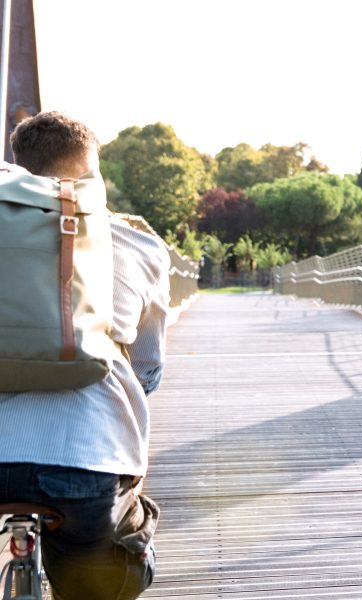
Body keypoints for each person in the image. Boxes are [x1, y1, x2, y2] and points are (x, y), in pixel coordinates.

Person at [0, 111, 169, 598]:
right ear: (92, 174)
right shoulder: (138, 243)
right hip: (84, 460)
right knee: (100, 569)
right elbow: (149, 366)